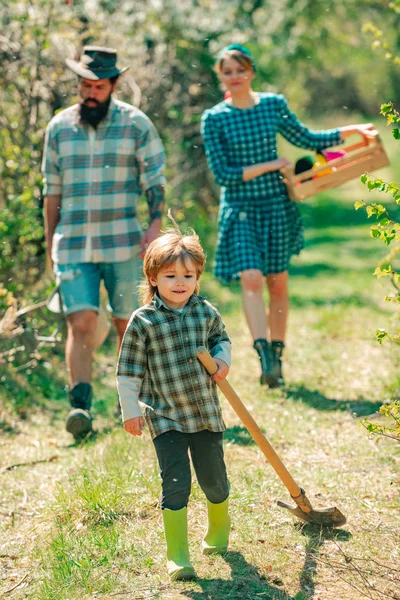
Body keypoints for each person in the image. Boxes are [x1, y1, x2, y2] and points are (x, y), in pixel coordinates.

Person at [201, 44, 374, 388]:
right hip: (240, 210)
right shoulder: (214, 118)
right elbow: (223, 174)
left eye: (240, 70)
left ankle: (277, 357)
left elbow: (308, 138)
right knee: (251, 279)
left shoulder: (272, 105)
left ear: (251, 72)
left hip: (276, 206)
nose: (234, 77)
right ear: (220, 76)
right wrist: (270, 164)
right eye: (227, 72)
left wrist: (352, 132)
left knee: (277, 282)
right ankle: (262, 353)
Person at [42, 46, 166, 440]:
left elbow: (154, 179)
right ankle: (80, 406)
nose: (90, 92)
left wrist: (155, 226)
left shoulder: (136, 124)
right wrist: (50, 245)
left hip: (125, 242)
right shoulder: (59, 127)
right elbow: (51, 192)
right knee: (80, 322)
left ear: (113, 84)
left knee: (124, 323)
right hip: (74, 242)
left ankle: (126, 403)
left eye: (98, 86)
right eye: (85, 85)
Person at [116, 219, 232, 581]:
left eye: (188, 276)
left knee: (213, 478)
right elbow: (128, 372)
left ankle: (219, 526)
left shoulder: (205, 311)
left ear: (198, 277)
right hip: (164, 415)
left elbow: (221, 340)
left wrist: (223, 361)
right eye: (170, 276)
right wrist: (131, 412)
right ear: (153, 278)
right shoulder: (143, 321)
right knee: (176, 481)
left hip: (204, 411)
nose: (180, 283)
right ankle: (178, 553)